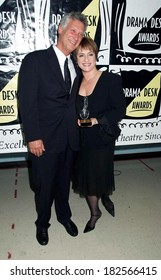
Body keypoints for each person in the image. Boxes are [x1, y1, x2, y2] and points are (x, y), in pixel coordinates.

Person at [18, 12, 88, 245]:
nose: (77, 36)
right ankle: (42, 224)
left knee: (63, 182)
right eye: (73, 31)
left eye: (81, 33)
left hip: (69, 137)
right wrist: (34, 137)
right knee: (44, 185)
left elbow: (72, 101)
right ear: (60, 29)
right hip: (44, 139)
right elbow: (27, 102)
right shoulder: (35, 60)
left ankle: (64, 216)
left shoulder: (75, 65)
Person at [72, 37, 126, 233]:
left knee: (99, 172)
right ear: (75, 58)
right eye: (81, 55)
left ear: (96, 56)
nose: (86, 59)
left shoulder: (110, 79)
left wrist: (96, 120)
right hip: (82, 139)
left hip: (102, 137)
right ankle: (99, 207)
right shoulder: (75, 81)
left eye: (90, 54)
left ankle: (99, 205)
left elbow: (120, 110)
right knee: (87, 175)